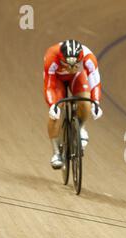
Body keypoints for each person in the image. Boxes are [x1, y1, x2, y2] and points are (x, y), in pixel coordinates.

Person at [43, 39, 103, 169]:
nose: (70, 68)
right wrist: (52, 104)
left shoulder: (88, 57)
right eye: (66, 65)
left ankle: (80, 128)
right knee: (55, 113)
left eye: (74, 65)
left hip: (77, 77)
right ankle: (56, 153)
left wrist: (96, 102)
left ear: (80, 58)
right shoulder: (51, 56)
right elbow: (49, 85)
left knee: (86, 101)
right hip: (58, 80)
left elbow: (95, 81)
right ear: (61, 58)